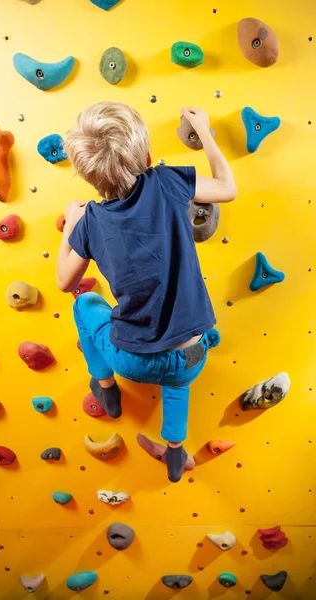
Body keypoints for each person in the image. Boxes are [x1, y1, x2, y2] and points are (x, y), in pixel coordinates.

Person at [56, 101, 237, 482]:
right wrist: (203, 130)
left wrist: (71, 224)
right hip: (193, 354)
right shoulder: (168, 181)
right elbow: (226, 188)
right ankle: (175, 453)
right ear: (149, 156)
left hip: (133, 362)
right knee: (178, 380)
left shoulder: (89, 220)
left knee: (86, 304)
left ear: (88, 176)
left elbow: (64, 282)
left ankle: (105, 386)